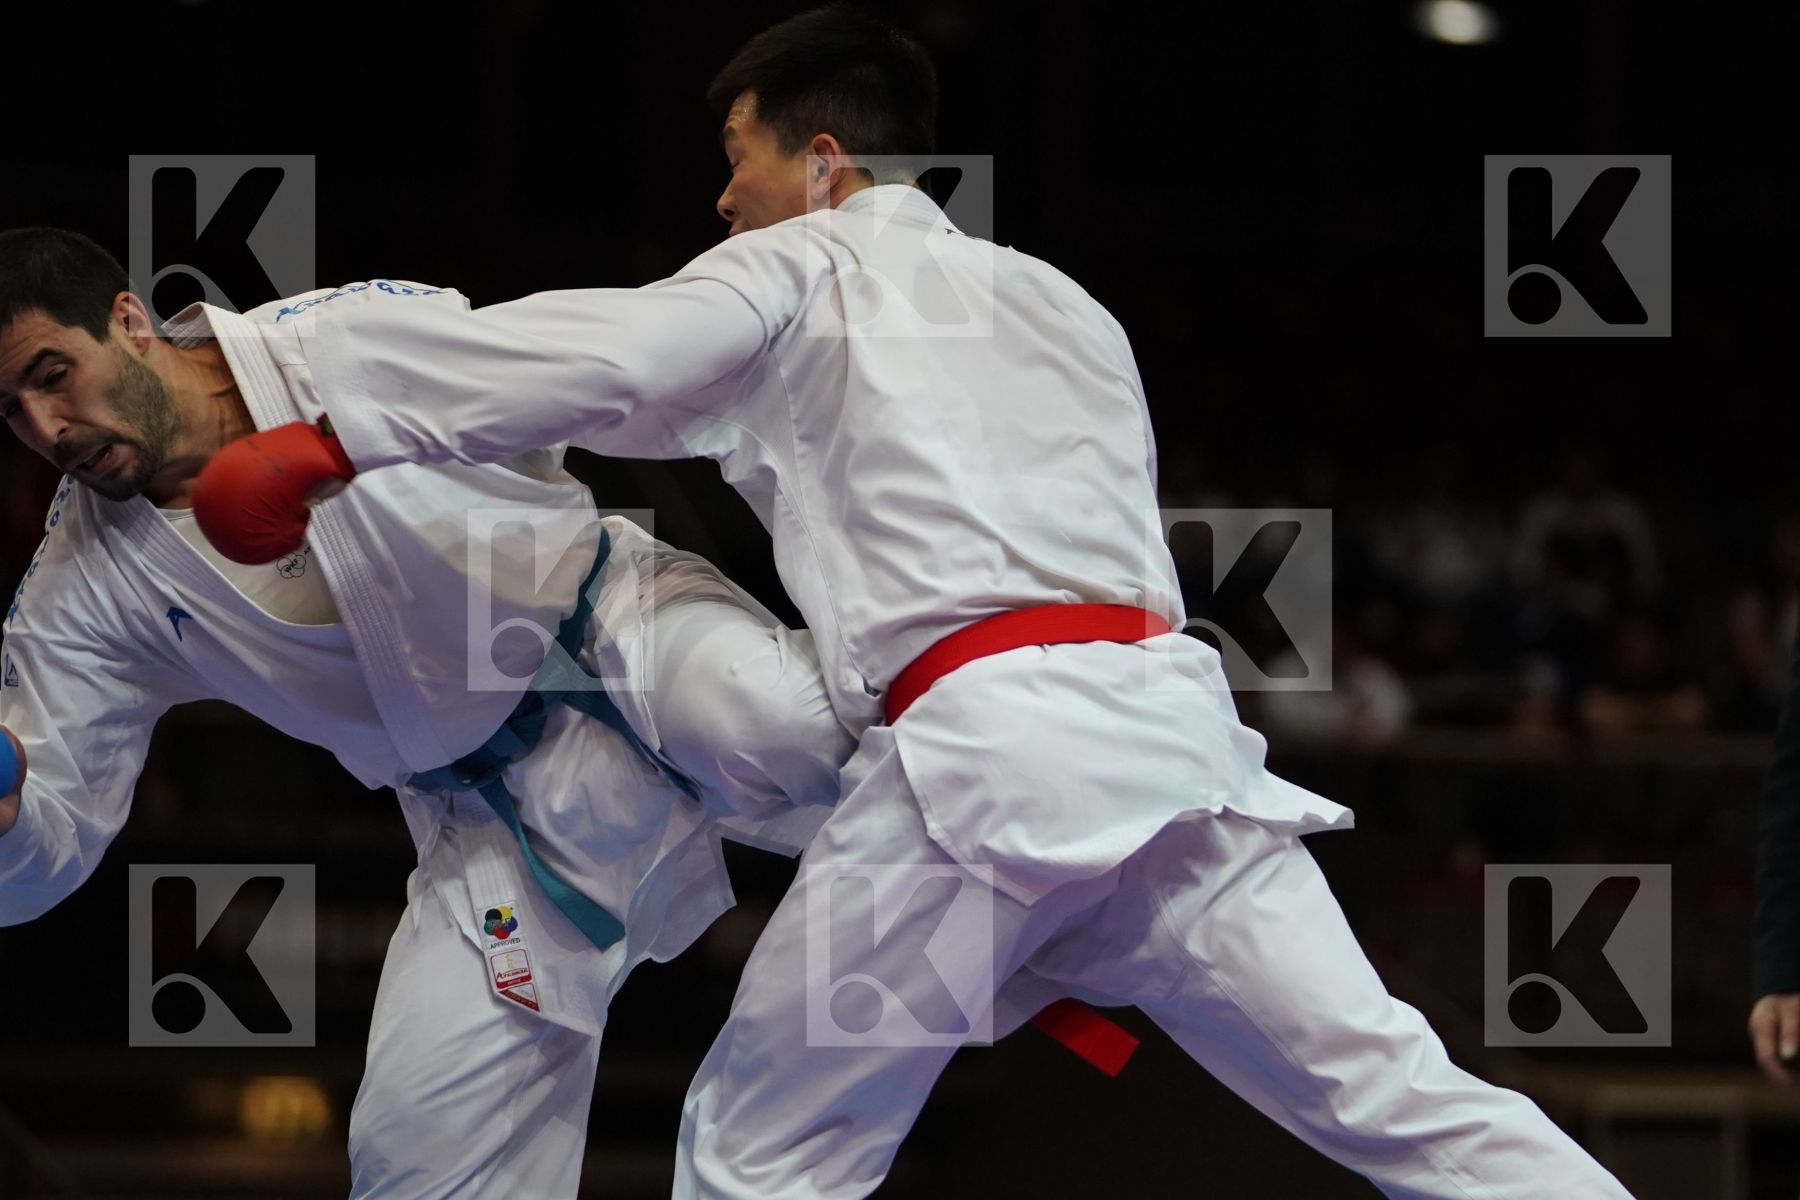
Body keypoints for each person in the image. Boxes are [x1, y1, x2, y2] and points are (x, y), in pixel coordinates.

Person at [195, 6, 1637, 1195]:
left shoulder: (806, 263)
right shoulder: (1067, 300)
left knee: (760, 1154)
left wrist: (338, 433)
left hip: (971, 775)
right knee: (1403, 1096)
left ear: (823, 164)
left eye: (736, 159)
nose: (721, 197)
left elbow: (608, 362)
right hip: (1175, 762)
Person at [0, 226, 857, 1198]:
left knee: (785, 723)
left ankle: (1042, 833)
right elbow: (37, 854)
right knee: (412, 1156)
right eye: (10, 408)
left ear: (128, 320)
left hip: (619, 632)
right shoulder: (82, 584)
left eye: (53, 373)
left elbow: (605, 368)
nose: (45, 426)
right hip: (492, 830)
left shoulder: (344, 339)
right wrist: (12, 818)